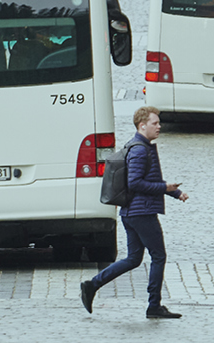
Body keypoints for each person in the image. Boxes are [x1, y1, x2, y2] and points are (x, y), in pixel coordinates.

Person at [79, 106, 187, 319]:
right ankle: (154, 305)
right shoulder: (139, 149)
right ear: (142, 125)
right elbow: (135, 183)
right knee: (158, 256)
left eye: (158, 123)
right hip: (141, 213)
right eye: (155, 123)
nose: (159, 126)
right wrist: (166, 188)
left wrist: (176, 193)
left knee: (133, 259)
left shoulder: (139, 146)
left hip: (132, 212)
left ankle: (92, 285)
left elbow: (150, 180)